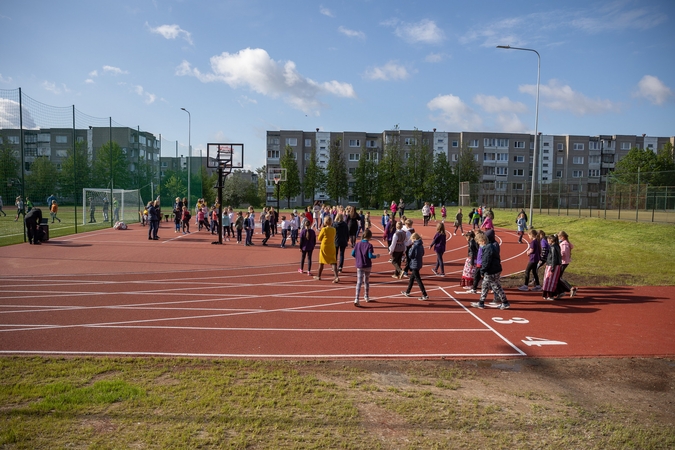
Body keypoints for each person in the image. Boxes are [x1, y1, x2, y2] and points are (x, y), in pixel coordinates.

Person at [471, 232, 510, 310]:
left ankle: (481, 303)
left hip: (491, 271)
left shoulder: (488, 248)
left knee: (487, 286)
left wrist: (482, 271)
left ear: (482, 241)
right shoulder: (491, 246)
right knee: (496, 286)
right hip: (496, 269)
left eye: (479, 242)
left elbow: (486, 261)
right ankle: (504, 302)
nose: (479, 244)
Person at [352, 229, 379, 306]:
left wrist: (358, 257)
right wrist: (376, 256)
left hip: (359, 265)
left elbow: (353, 254)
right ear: (370, 237)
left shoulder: (357, 244)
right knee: (366, 281)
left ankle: (356, 298)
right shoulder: (369, 245)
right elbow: (370, 256)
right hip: (367, 265)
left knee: (359, 282)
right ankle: (366, 296)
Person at [400, 233, 428, 301]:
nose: (411, 241)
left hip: (414, 264)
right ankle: (407, 292)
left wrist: (410, 250)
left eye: (412, 239)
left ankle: (425, 295)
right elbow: (423, 253)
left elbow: (410, 256)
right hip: (418, 263)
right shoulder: (421, 245)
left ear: (414, 239)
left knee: (418, 280)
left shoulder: (414, 246)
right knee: (412, 278)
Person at [314, 216, 339, 283]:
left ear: (325, 222)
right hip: (331, 246)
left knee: (321, 262)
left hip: (324, 247)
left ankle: (318, 276)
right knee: (333, 262)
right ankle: (336, 276)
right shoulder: (334, 229)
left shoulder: (324, 229)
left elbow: (319, 238)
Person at [542, 234, 562, 301]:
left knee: (550, 281)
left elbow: (554, 257)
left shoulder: (553, 247)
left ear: (551, 240)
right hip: (554, 265)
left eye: (548, 240)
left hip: (552, 265)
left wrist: (552, 267)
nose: (547, 241)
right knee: (550, 280)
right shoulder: (557, 246)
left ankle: (549, 295)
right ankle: (546, 294)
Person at [557, 230, 577, 298]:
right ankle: (563, 290)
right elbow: (571, 246)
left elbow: (563, 253)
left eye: (559, 237)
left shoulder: (564, 244)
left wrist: (557, 255)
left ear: (562, 237)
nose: (558, 239)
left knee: (558, 277)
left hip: (563, 262)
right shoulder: (567, 243)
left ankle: (570, 288)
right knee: (559, 277)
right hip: (566, 261)